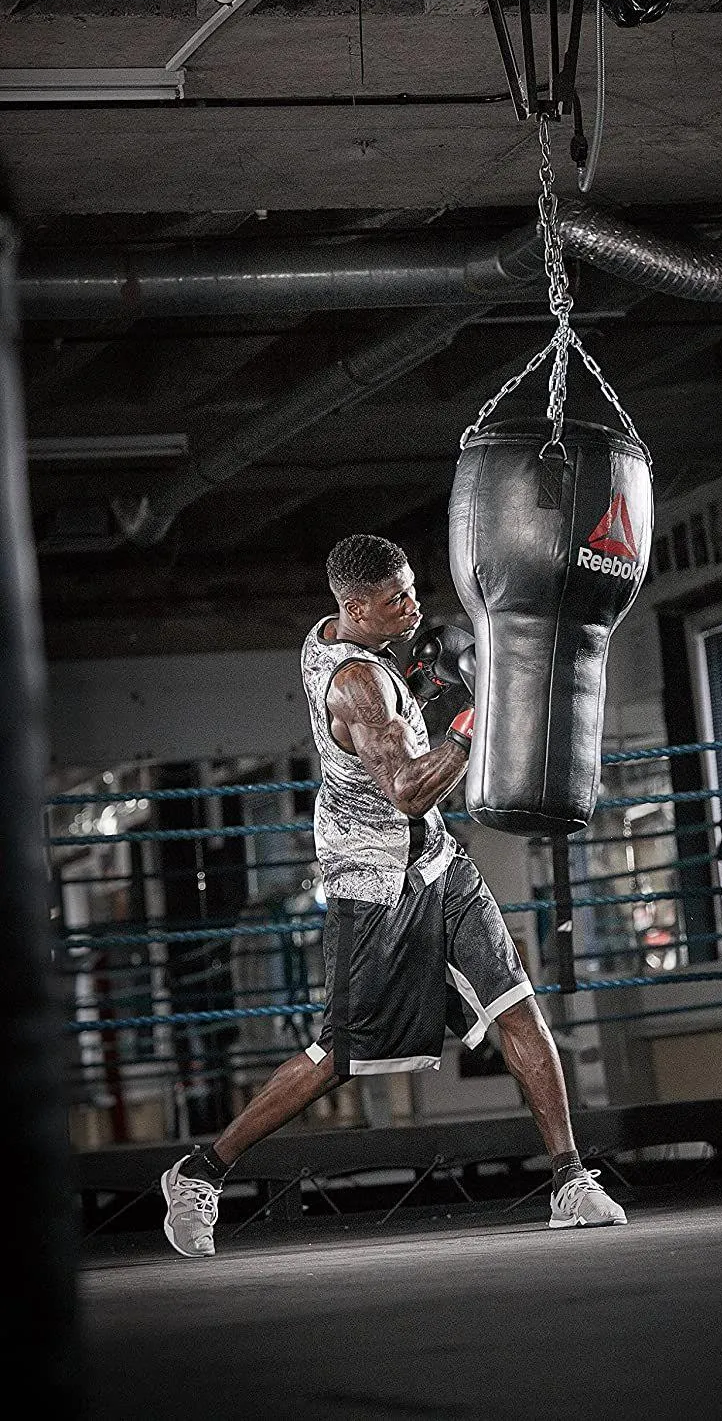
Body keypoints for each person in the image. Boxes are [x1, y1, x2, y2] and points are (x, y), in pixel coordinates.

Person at [161, 533, 626, 1256]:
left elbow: (405, 760)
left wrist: (428, 694)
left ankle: (570, 1178)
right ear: (354, 608)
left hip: (439, 865)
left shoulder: (346, 638)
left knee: (517, 1008)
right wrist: (472, 725)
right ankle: (200, 1172)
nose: (412, 605)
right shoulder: (356, 683)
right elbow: (408, 790)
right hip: (374, 880)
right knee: (337, 1058)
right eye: (395, 599)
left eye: (409, 589)